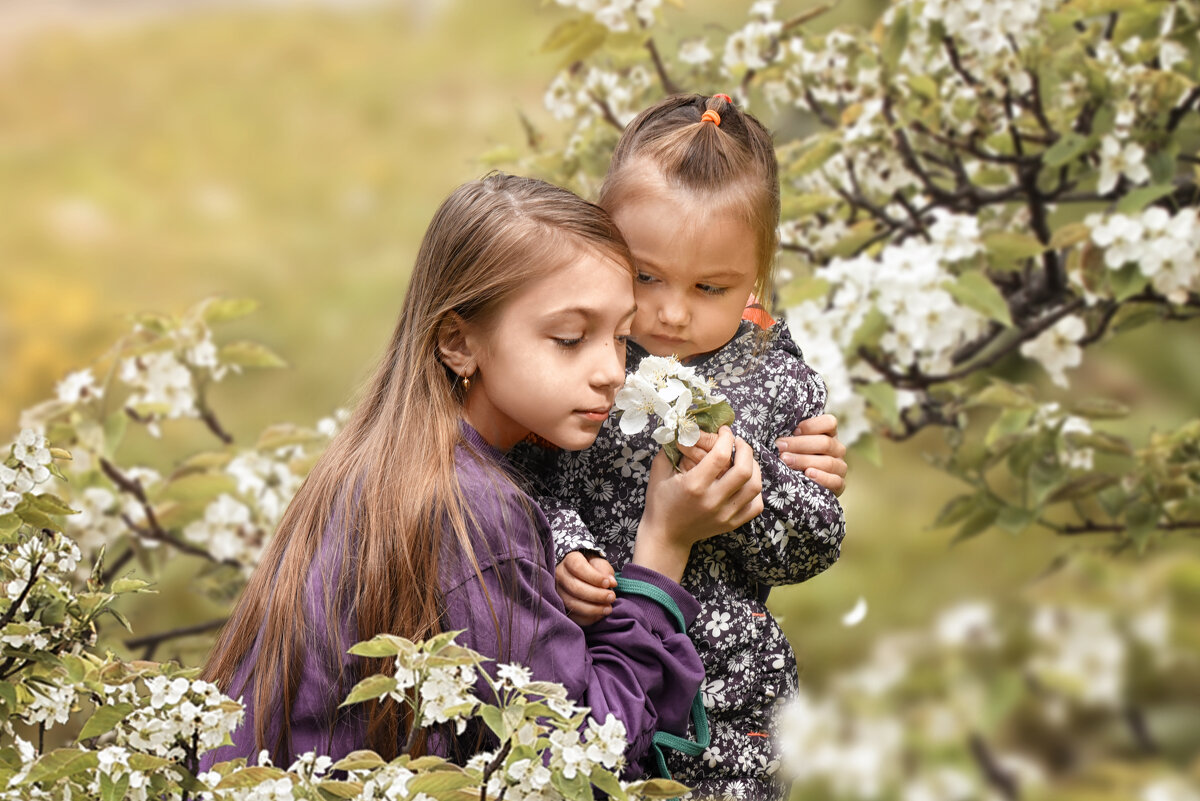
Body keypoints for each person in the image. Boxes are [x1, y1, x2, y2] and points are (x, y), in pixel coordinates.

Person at [199, 173, 769, 775]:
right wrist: (664, 547)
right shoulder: (476, 510)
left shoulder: (390, 456)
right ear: (457, 342)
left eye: (622, 336)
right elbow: (577, 759)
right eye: (570, 338)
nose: (611, 371)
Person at [521, 94, 848, 799]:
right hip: (597, 664)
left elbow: (817, 539)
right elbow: (528, 471)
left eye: (710, 287)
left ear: (756, 276)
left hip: (729, 699)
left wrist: (746, 490)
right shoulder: (590, 355)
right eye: (646, 275)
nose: (671, 310)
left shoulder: (777, 381)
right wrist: (565, 546)